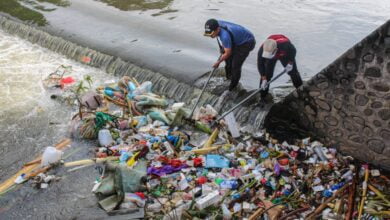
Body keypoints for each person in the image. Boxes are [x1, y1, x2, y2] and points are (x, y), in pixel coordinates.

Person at [204, 19, 256, 93]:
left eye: (211, 34)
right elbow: (226, 52)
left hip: (247, 42)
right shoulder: (215, 24)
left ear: (218, 29)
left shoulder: (225, 36)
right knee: (228, 61)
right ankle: (228, 78)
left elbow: (227, 53)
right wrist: (224, 47)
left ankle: (232, 88)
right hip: (235, 38)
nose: (210, 36)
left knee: (235, 65)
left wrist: (218, 62)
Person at [257, 34, 303, 101]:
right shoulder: (262, 50)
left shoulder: (285, 45)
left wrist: (290, 63)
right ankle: (263, 97)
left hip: (284, 54)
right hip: (270, 56)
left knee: (293, 72)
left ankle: (300, 89)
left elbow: (293, 51)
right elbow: (260, 64)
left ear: (276, 50)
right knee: (267, 75)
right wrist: (263, 78)